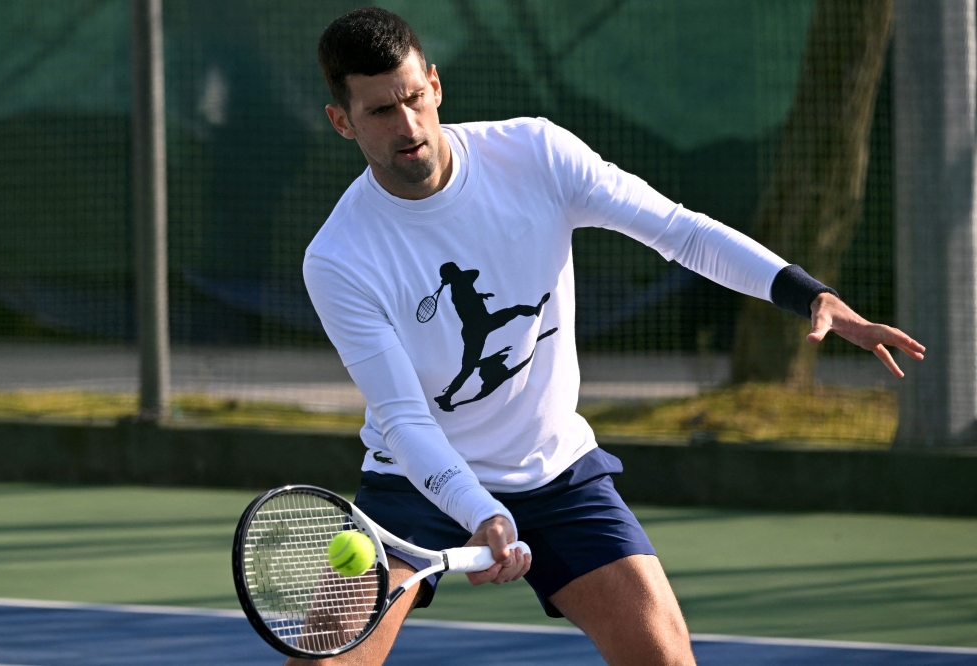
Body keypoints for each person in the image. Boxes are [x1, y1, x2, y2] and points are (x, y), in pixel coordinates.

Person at [302, 8, 925, 665]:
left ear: (434, 84)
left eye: (413, 98)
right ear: (342, 121)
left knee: (665, 659)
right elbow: (404, 421)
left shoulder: (535, 155)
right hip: (416, 484)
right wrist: (480, 510)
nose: (407, 126)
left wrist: (810, 294)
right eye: (380, 111)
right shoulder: (340, 257)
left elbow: (681, 232)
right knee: (322, 660)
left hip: (555, 473)